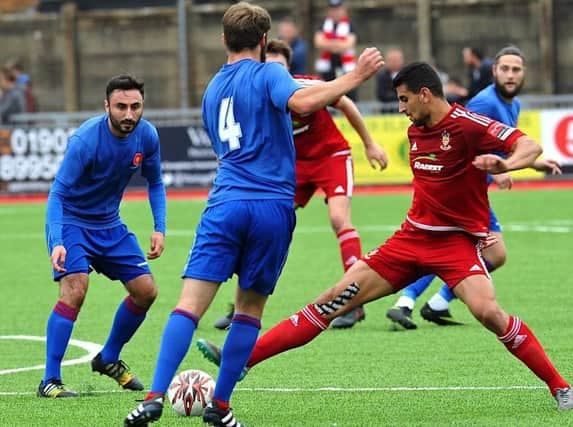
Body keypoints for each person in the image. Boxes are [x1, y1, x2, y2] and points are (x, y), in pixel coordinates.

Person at [198, 61, 573, 414]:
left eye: (403, 99)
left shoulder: (467, 125)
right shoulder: (416, 129)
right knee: (330, 302)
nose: (400, 108)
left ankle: (559, 386)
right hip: (409, 242)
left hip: (454, 246)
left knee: (488, 313)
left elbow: (529, 145)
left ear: (424, 94)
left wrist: (509, 163)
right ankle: (244, 361)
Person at [123, 3, 384, 426]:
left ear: (224, 39)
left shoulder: (211, 90)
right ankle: (220, 407)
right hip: (270, 206)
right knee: (249, 309)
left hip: (225, 202)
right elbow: (302, 99)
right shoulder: (270, 73)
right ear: (264, 41)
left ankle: (154, 396)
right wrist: (354, 77)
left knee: (188, 306)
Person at [212, 39, 388, 331]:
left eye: (279, 67)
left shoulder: (305, 86)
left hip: (331, 156)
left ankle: (354, 302)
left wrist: (370, 144)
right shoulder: (258, 95)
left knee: (338, 218)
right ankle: (241, 307)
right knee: (264, 225)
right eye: (269, 67)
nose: (274, 72)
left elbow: (344, 102)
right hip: (294, 167)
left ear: (288, 69)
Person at [386, 45, 562, 329]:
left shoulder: (512, 104)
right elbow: (456, 139)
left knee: (482, 252)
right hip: (461, 192)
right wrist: (499, 170)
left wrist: (529, 164)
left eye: (516, 69)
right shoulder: (484, 104)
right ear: (493, 71)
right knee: (476, 251)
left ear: (524, 73)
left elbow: (501, 147)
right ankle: (411, 300)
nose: (510, 75)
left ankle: (430, 302)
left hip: (474, 190)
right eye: (504, 69)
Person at [38, 74, 166, 398]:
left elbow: (156, 182)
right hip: (72, 222)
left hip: (110, 224)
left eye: (135, 106)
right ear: (106, 105)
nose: (128, 114)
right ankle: (50, 379)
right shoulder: (85, 140)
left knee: (146, 292)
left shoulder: (147, 136)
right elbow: (58, 193)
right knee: (75, 289)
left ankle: (108, 358)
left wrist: (159, 227)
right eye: (121, 106)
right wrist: (57, 241)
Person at [314, 0, 358, 99]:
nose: (335, 12)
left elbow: (349, 44)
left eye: (337, 9)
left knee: (349, 94)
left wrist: (328, 44)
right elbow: (318, 42)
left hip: (346, 67)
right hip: (328, 68)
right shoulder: (323, 25)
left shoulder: (350, 25)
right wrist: (338, 44)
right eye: (332, 10)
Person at [376, 47, 404, 113]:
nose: (394, 62)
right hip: (387, 113)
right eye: (392, 60)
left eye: (397, 60)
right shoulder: (381, 76)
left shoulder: (407, 75)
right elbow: (381, 95)